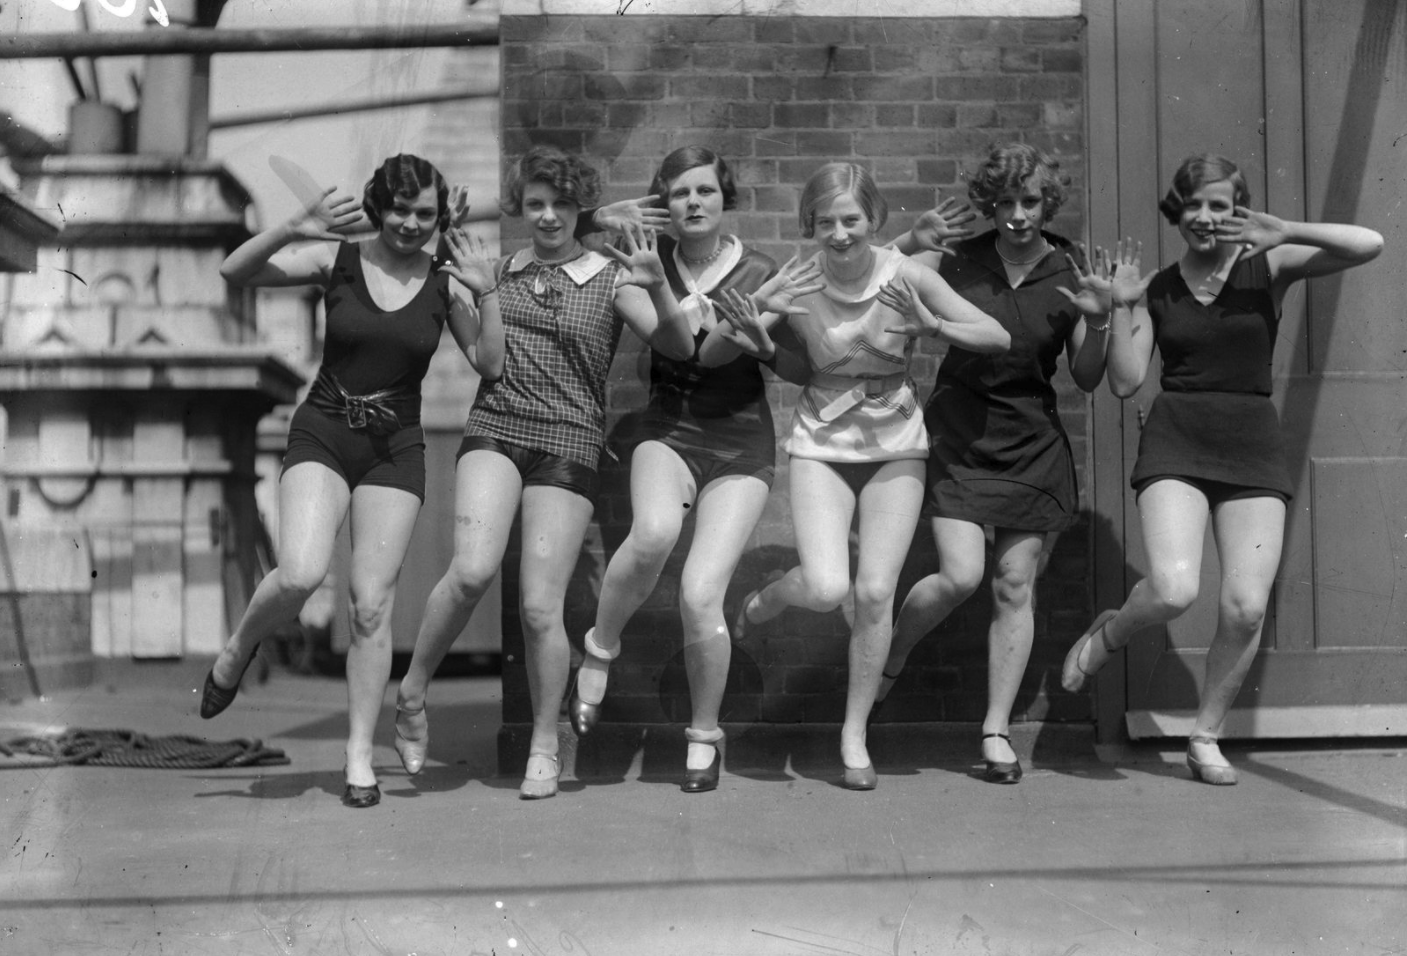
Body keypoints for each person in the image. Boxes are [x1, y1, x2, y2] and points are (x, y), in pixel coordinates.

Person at [1061, 154, 1383, 784]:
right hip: (1178, 439)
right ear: (1176, 213)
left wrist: (1286, 229)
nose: (1206, 218)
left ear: (1239, 208)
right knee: (1175, 588)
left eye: (1220, 204)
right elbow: (1125, 384)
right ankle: (1112, 633)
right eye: (1194, 205)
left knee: (1244, 606)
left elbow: (1369, 243)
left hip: (1252, 443)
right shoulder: (1154, 287)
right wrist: (1117, 311)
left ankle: (1206, 735)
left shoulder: (1272, 264)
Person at [392, 145, 696, 799]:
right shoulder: (494, 270)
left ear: (579, 205)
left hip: (569, 440)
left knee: (537, 607)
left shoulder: (613, 276)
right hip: (497, 426)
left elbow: (680, 346)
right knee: (471, 570)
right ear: (519, 207)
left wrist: (659, 283)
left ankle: (544, 741)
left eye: (560, 203)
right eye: (535, 204)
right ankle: (412, 693)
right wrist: (482, 293)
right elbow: (490, 368)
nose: (548, 216)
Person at [201, 154, 504, 810]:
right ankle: (240, 644)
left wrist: (487, 291)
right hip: (323, 433)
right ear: (376, 206)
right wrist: (295, 227)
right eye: (399, 209)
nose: (410, 223)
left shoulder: (443, 282)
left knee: (371, 606)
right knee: (301, 573)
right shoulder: (335, 260)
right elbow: (234, 271)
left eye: (424, 214)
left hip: (395, 450)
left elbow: (490, 362)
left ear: (439, 216)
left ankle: (359, 755)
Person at [709, 162, 1009, 790]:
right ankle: (767, 598)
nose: (840, 233)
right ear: (809, 226)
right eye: (825, 222)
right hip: (822, 440)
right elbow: (741, 351)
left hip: (896, 441)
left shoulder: (909, 273)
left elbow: (996, 334)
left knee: (874, 593)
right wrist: (763, 331)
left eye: (852, 219)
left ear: (874, 220)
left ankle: (854, 733)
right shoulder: (798, 279)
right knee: (824, 586)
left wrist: (934, 328)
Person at [566, 145, 822, 793]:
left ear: (723, 197)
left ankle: (705, 733)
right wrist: (598, 216)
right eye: (678, 193)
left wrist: (765, 343)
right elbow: (688, 349)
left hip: (740, 444)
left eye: (704, 191)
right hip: (667, 429)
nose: (693, 204)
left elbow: (800, 368)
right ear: (662, 203)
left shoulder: (762, 269)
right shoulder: (637, 264)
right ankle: (600, 645)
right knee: (652, 534)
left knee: (700, 592)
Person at [874, 143, 1113, 784]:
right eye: (1004, 201)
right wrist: (908, 237)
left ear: (1047, 203)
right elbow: (870, 279)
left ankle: (996, 731)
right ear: (990, 203)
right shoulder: (958, 256)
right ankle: (890, 655)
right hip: (959, 428)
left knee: (1014, 585)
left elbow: (1087, 378)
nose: (1015, 214)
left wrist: (1102, 321)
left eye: (1028, 201)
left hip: (1031, 436)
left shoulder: (1070, 268)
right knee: (959, 575)